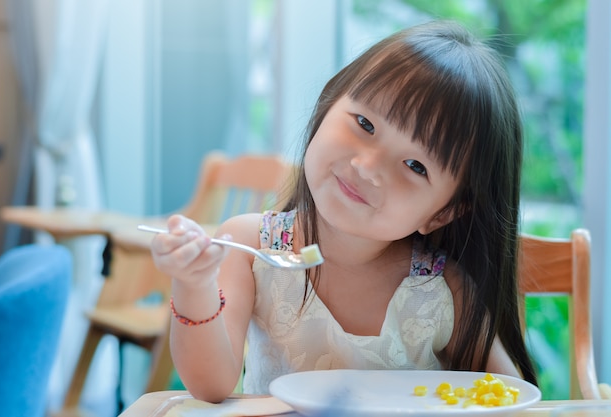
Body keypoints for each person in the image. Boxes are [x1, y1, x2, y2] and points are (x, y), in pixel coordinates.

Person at [150, 19, 537, 403]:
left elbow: (507, 398)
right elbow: (211, 385)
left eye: (415, 166)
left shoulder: (443, 288)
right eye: (365, 123)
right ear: (328, 104)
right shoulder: (252, 245)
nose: (367, 167)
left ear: (442, 213)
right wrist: (195, 284)